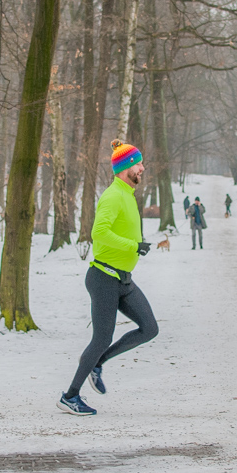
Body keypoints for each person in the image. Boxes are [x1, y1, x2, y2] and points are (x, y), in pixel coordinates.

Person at [59, 140, 159, 416]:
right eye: (138, 164)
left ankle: (98, 362)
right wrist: (132, 246)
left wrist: (137, 244)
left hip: (123, 280)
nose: (142, 168)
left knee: (149, 328)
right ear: (127, 167)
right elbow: (98, 233)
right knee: (101, 337)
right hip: (104, 278)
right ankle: (70, 396)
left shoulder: (127, 193)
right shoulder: (113, 195)